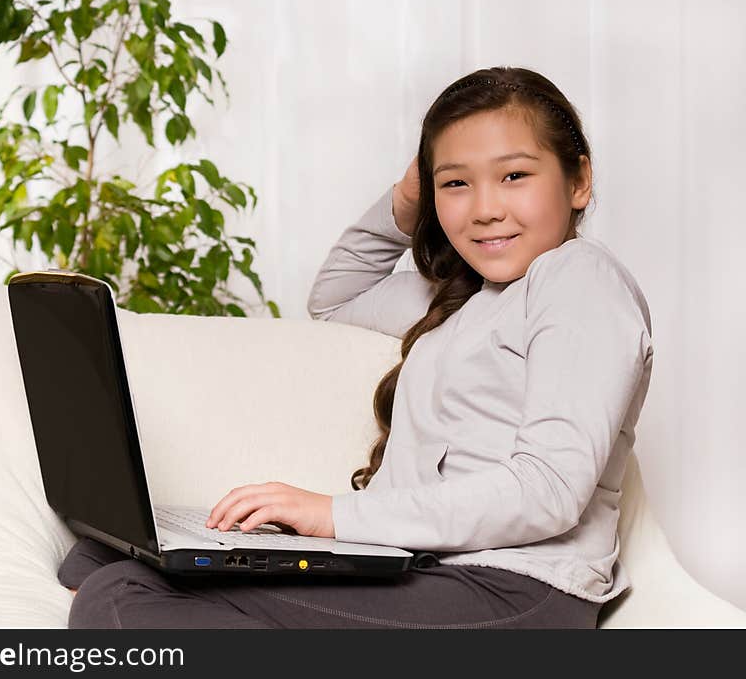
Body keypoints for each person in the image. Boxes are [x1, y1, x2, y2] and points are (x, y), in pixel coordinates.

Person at [58, 65, 653, 629]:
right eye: (456, 183)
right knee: (109, 554)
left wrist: (331, 516)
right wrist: (408, 191)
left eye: (514, 176)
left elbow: (548, 490)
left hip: (515, 590)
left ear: (578, 180)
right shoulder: (463, 296)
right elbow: (336, 298)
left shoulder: (579, 280)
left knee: (119, 598)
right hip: (421, 567)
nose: (486, 208)